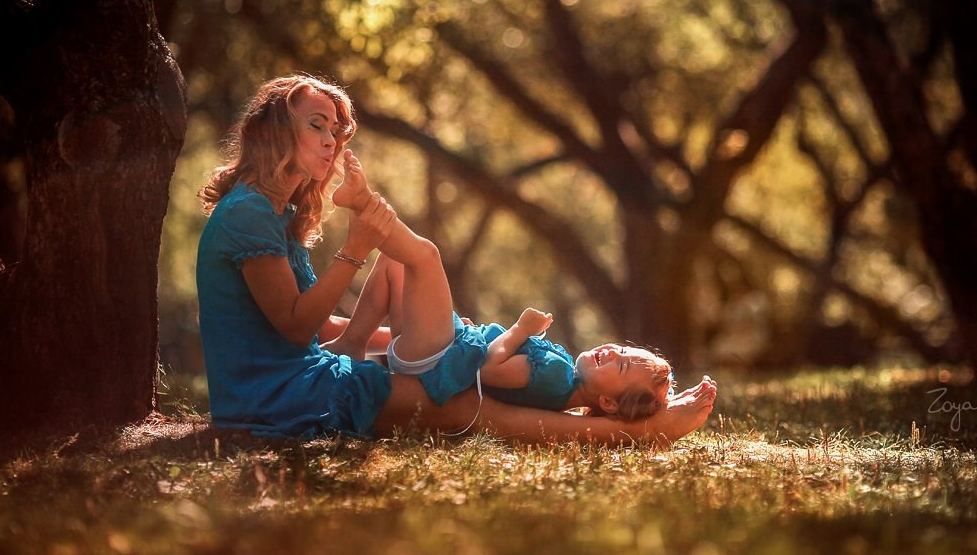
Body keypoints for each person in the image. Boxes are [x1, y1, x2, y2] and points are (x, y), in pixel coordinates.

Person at [195, 73, 716, 444]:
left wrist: (396, 332)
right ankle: (635, 433)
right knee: (461, 407)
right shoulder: (249, 214)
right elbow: (292, 328)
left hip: (300, 372)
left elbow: (308, 322)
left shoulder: (273, 212)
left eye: (335, 128)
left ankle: (633, 423)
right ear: (276, 132)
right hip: (271, 395)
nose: (331, 139)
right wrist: (354, 251)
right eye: (316, 125)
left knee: (441, 363)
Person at [326, 157, 675, 422]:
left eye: (623, 367)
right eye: (625, 352)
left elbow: (489, 369)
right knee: (396, 262)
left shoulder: (557, 378)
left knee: (426, 256)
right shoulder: (560, 383)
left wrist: (522, 328)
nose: (615, 352)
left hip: (437, 359)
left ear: (609, 403)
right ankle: (352, 343)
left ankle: (362, 202)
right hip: (438, 352)